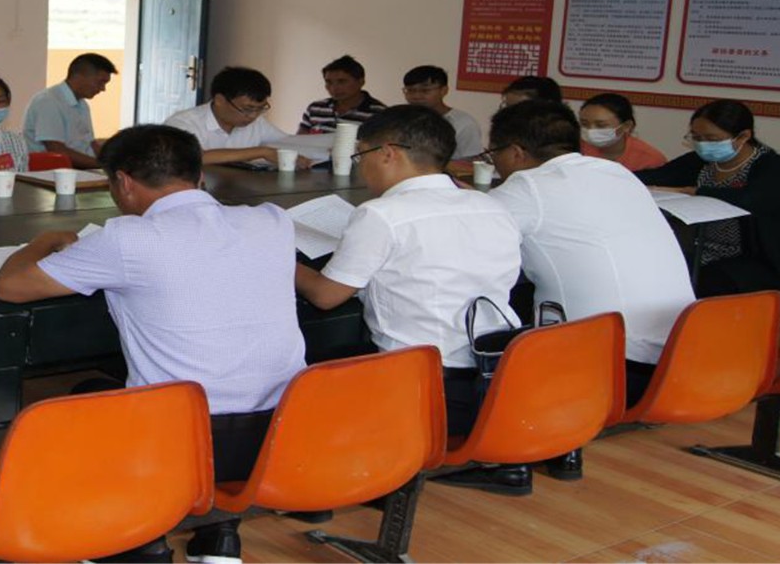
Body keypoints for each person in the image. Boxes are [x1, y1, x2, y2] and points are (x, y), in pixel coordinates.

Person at [0, 124, 306, 564]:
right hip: (279, 434)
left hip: (181, 442)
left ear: (123, 182)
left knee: (80, 398)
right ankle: (218, 535)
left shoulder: (128, 237)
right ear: (199, 175)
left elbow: (11, 287)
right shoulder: (272, 221)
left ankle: (138, 543)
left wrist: (43, 242)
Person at [293, 105, 533, 495]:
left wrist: (281, 257)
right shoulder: (493, 206)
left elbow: (325, 296)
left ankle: (359, 476)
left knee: (307, 362)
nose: (361, 168)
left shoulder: (382, 215)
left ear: (388, 153)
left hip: (419, 388)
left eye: (361, 156)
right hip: (492, 379)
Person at [486, 100, 694, 410]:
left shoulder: (527, 186)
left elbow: (467, 247)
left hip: (609, 372)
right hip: (676, 360)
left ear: (516, 152)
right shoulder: (616, 173)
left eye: (493, 154)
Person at [635, 100, 780, 301]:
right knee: (650, 271)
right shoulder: (700, 162)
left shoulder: (777, 167)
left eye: (712, 138)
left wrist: (694, 192)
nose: (703, 144)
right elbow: (654, 176)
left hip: (761, 262)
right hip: (703, 252)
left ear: (743, 136)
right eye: (696, 138)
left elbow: (750, 199)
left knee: (698, 285)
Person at [164, 66, 311, 168]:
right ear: (219, 100)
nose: (253, 116)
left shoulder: (257, 123)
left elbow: (286, 142)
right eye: (247, 109)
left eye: (260, 109)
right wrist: (262, 152)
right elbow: (193, 158)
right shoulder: (183, 122)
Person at [23, 52, 118, 169]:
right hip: (51, 173)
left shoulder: (82, 105)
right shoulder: (48, 101)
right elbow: (56, 150)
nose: (103, 89)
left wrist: (112, 164)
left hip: (80, 169)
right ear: (79, 77)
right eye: (100, 82)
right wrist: (101, 165)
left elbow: (91, 143)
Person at [400, 65, 483, 160]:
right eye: (410, 90)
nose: (416, 96)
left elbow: (471, 162)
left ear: (444, 90)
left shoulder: (463, 124)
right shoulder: (399, 119)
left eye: (425, 90)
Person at [577, 92, 667, 171]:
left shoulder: (650, 160)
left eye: (601, 125)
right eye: (584, 124)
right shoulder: (576, 148)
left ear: (626, 126)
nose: (591, 130)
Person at [297, 54, 387, 133]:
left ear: (361, 82)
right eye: (329, 82)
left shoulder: (379, 114)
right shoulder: (316, 108)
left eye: (342, 82)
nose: (334, 88)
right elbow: (300, 141)